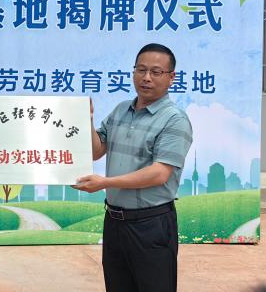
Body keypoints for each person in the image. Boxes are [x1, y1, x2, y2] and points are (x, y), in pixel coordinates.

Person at [73, 43, 193, 292]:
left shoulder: (174, 119)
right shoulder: (121, 110)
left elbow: (160, 173)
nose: (146, 77)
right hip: (114, 221)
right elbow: (97, 150)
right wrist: (87, 120)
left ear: (171, 77)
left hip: (151, 224)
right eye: (141, 69)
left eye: (156, 72)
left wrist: (105, 183)